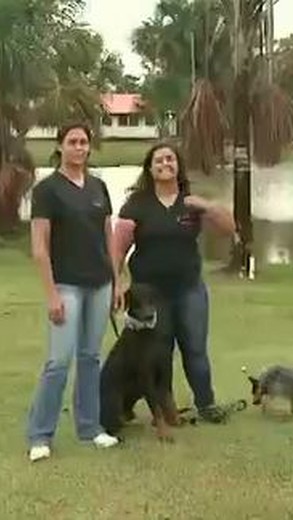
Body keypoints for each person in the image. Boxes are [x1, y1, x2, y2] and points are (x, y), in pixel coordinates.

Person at [111, 143, 236, 424]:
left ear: (178, 165)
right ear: (149, 168)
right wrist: (116, 282)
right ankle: (164, 410)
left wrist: (207, 206)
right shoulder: (137, 204)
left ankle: (206, 404)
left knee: (195, 349)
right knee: (159, 352)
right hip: (149, 294)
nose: (165, 164)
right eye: (158, 160)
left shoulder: (191, 202)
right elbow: (117, 249)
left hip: (189, 289)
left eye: (170, 159)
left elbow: (229, 229)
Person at [25, 123, 121, 462]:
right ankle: (40, 435)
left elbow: (108, 237)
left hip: (100, 284)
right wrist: (51, 294)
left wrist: (117, 281)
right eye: (73, 142)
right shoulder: (47, 190)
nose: (79, 147)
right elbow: (40, 247)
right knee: (58, 362)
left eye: (84, 142)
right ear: (60, 146)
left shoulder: (98, 187)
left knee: (90, 358)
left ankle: (90, 427)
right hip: (66, 285)